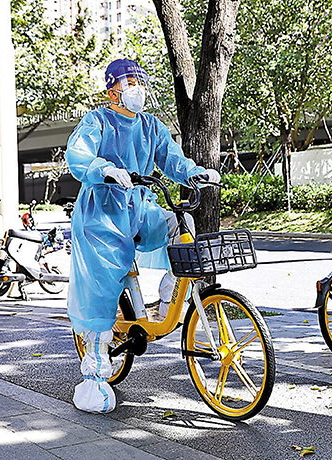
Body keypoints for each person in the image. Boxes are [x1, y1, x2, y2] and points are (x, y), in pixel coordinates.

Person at [65, 58, 219, 413]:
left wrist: (195, 173)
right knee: (103, 288)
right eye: (130, 81)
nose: (138, 87)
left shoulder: (151, 126)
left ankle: (172, 293)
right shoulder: (97, 121)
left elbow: (171, 159)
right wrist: (103, 169)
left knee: (180, 226)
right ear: (112, 89)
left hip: (139, 207)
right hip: (101, 214)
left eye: (141, 80)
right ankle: (94, 372)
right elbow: (79, 155)